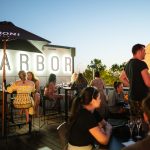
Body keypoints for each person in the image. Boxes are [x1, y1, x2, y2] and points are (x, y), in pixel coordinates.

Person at [120, 44, 150, 117]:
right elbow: (148, 82)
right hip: (142, 98)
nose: (145, 53)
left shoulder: (128, 64)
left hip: (132, 97)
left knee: (135, 119)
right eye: (144, 51)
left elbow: (121, 77)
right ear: (139, 51)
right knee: (144, 120)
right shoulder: (141, 64)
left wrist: (131, 85)